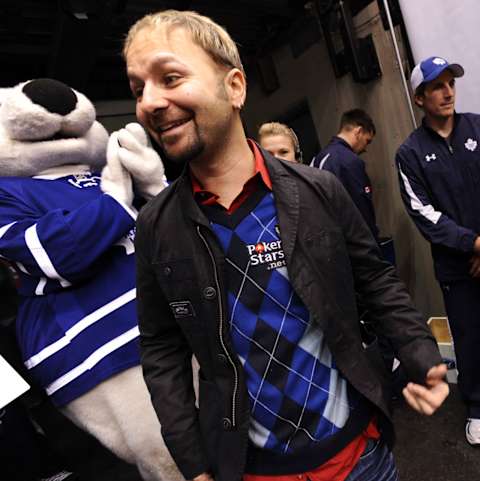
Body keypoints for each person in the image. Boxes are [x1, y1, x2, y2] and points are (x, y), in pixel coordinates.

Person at [125, 10, 449, 481]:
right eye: (137, 90)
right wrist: (193, 464)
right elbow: (160, 350)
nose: (149, 103)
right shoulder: (156, 227)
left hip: (360, 458)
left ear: (235, 87)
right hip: (254, 470)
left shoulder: (318, 190)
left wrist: (420, 353)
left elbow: (375, 279)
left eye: (169, 77)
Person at [396, 55, 480, 445]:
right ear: (419, 98)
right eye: (436, 86)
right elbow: (423, 213)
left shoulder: (477, 126)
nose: (447, 92)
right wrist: (473, 245)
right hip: (457, 269)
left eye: (450, 83)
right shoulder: (410, 153)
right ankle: (477, 408)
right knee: (469, 336)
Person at [311, 109, 378, 241]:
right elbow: (361, 207)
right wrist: (372, 239)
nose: (365, 148)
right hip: (353, 241)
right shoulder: (349, 160)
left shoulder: (319, 157)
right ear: (358, 132)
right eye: (367, 141)